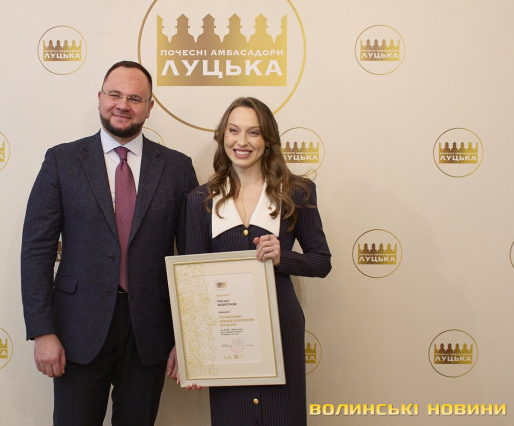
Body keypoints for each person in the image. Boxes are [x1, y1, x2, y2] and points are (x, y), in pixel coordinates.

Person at [21, 60, 198, 425]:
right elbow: (37, 251)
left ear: (150, 107)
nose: (123, 104)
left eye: (135, 98)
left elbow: (191, 259)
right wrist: (42, 330)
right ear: (100, 98)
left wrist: (189, 339)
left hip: (150, 331)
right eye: (115, 94)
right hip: (76, 330)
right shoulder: (62, 161)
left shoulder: (178, 168)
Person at [178, 97, 331, 425]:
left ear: (267, 140)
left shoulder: (297, 192)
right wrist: (195, 355)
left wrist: (283, 257)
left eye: (254, 132)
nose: (242, 141)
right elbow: (192, 285)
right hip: (225, 331)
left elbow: (321, 262)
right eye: (234, 130)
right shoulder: (200, 200)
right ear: (223, 136)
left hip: (282, 327)